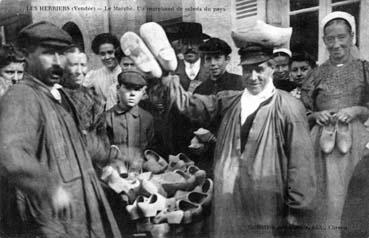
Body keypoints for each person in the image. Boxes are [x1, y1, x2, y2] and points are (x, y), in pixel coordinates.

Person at [160, 21, 316, 238]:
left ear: (271, 67)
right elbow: (190, 105)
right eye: (247, 69)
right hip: (229, 201)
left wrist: (297, 211)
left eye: (259, 69)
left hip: (267, 204)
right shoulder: (230, 101)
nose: (253, 77)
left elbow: (301, 165)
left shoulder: (289, 107)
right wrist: (170, 82)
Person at [0, 21, 121, 238]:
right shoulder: (22, 95)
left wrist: (115, 155)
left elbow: (78, 142)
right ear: (27, 55)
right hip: (51, 217)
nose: (57, 62)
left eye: (61, 54)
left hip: (81, 208)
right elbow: (9, 151)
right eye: (48, 53)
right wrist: (49, 188)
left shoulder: (59, 94)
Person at [301, 11, 369, 238]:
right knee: (326, 197)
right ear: (324, 41)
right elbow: (303, 110)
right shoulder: (316, 74)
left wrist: (357, 110)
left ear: (352, 37)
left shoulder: (365, 69)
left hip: (356, 144)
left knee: (354, 194)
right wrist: (315, 115)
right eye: (330, 39)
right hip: (322, 144)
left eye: (342, 37)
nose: (336, 44)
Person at [105, 69, 155, 167]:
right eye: (127, 88)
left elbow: (151, 149)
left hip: (141, 171)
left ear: (143, 93)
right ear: (118, 89)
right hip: (115, 172)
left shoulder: (147, 118)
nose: (132, 94)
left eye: (137, 89)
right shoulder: (107, 118)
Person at [82, 33, 121, 110]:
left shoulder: (124, 71)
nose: (107, 57)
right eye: (102, 54)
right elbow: (81, 92)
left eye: (110, 52)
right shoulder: (94, 75)